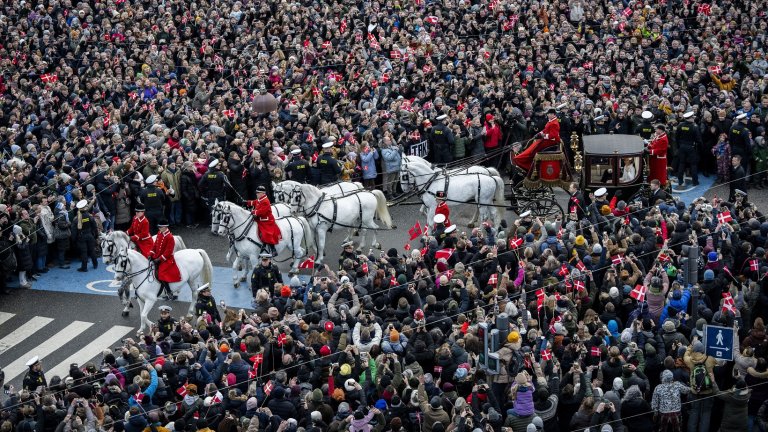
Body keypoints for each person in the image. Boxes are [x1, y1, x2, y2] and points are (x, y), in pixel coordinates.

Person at [513, 108, 560, 172]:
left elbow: (553, 135)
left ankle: (526, 162)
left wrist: (543, 136)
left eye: (549, 114)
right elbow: (545, 130)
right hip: (548, 139)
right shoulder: (551, 121)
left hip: (551, 141)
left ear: (553, 115)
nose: (548, 115)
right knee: (533, 143)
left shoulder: (554, 123)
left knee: (535, 147)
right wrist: (539, 133)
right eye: (548, 114)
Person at [148, 219, 181, 301]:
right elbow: (155, 245)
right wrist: (151, 254)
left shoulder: (170, 237)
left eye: (161, 227)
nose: (159, 228)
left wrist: (159, 259)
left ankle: (169, 292)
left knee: (161, 273)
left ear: (166, 227)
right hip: (157, 256)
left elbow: (168, 252)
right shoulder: (159, 233)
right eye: (159, 227)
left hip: (166, 259)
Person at [245, 186, 281, 256]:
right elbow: (255, 202)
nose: (256, 194)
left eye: (258, 193)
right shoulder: (260, 199)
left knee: (266, 234)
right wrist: (247, 202)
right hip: (259, 219)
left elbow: (262, 212)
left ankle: (273, 249)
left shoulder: (265, 201)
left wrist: (253, 212)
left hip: (266, 220)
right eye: (256, 193)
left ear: (262, 193)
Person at [674, 111, 702, 190]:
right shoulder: (695, 126)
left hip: (682, 146)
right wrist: (700, 148)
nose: (693, 118)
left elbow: (676, 137)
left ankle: (680, 181)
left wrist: (679, 146)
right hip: (691, 147)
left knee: (681, 163)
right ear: (690, 118)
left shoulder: (680, 125)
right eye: (692, 117)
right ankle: (695, 181)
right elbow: (698, 140)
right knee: (693, 165)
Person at [72, 199, 98, 273]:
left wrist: (74, 240)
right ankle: (95, 264)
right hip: (90, 235)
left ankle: (84, 267)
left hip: (81, 237)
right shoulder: (89, 216)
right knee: (92, 250)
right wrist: (95, 235)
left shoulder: (76, 219)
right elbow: (94, 226)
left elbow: (74, 231)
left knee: (84, 252)